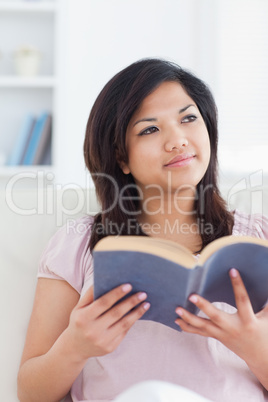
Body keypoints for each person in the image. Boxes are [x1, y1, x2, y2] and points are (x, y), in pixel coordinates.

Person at [17, 58, 268, 402]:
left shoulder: (258, 238)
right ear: (121, 158)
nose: (178, 140)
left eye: (188, 118)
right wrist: (73, 348)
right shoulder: (78, 244)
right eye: (150, 129)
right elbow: (30, 393)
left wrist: (254, 346)